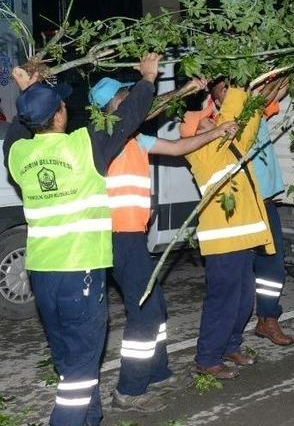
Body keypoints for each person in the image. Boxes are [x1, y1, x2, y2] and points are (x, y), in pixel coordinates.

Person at [3, 53, 161, 426]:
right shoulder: (83, 147)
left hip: (41, 274)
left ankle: (91, 419)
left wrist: (28, 91)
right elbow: (128, 118)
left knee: (68, 360)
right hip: (81, 276)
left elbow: (16, 130)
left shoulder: (19, 156)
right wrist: (148, 79)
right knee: (80, 372)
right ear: (60, 114)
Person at [87, 77, 237, 411]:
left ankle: (157, 372)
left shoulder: (135, 138)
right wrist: (177, 90)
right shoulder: (105, 141)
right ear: (115, 105)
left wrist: (216, 131)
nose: (135, 103)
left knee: (156, 306)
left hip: (132, 238)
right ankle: (130, 390)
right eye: (127, 97)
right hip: (118, 238)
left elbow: (177, 147)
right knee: (146, 312)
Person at [218, 0, 294, 346]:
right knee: (244, 266)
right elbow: (268, 93)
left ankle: (266, 318)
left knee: (271, 260)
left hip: (262, 192)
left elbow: (274, 94)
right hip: (245, 194)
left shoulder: (253, 106)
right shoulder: (234, 110)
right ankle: (233, 336)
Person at [180, 84, 275, 379]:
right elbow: (235, 112)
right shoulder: (203, 152)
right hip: (223, 242)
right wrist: (237, 84)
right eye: (208, 119)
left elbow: (249, 115)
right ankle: (207, 358)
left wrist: (265, 88)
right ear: (196, 132)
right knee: (223, 301)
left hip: (242, 239)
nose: (216, 119)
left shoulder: (230, 146)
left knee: (244, 299)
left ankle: (230, 346)